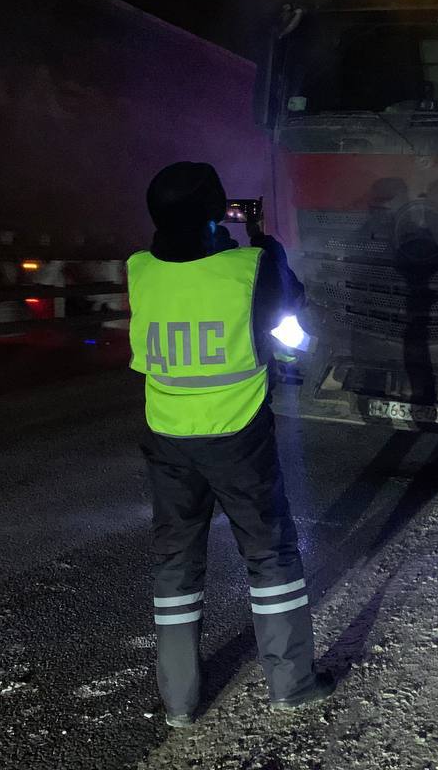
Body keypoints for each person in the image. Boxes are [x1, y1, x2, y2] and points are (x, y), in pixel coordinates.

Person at [128, 161, 335, 728]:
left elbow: (180, 276)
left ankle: (179, 703)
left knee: (175, 562)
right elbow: (290, 302)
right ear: (217, 213)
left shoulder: (139, 269)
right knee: (269, 555)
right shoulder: (249, 267)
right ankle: (292, 685)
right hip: (237, 434)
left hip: (168, 434)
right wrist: (264, 241)